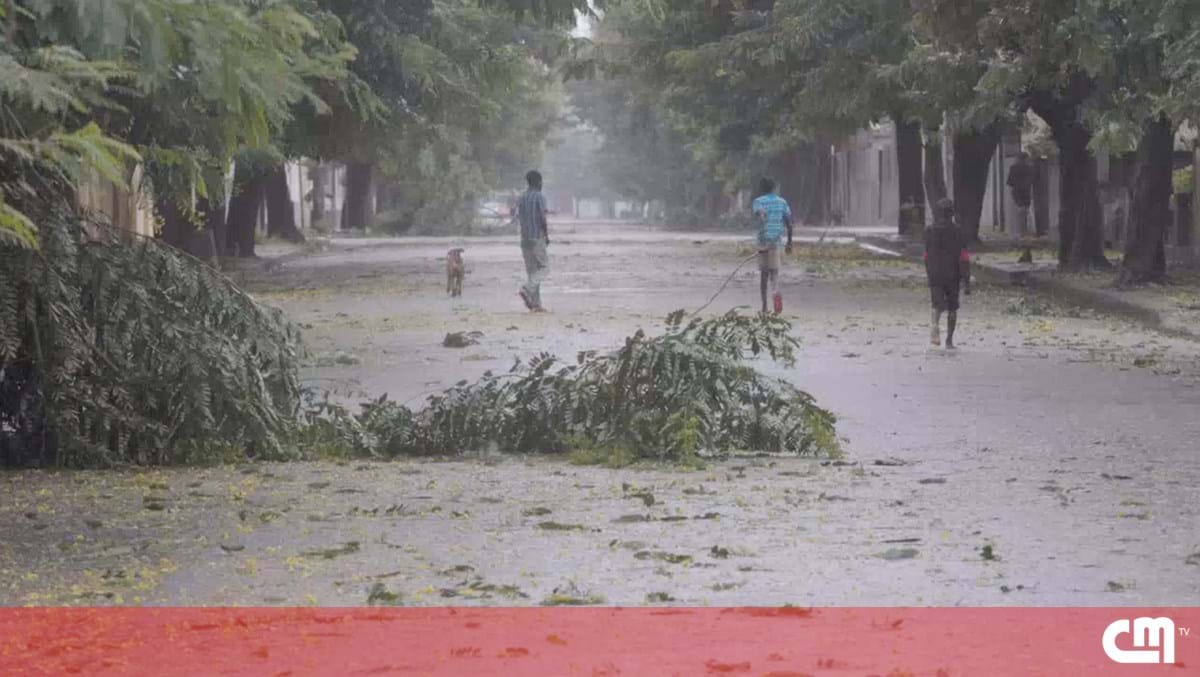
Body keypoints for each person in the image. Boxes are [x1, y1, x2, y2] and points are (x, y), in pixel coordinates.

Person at [924, 198, 971, 349]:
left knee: (936, 304)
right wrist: (966, 279)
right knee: (952, 308)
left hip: (935, 273)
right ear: (952, 213)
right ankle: (949, 341)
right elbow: (963, 257)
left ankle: (934, 326)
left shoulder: (929, 231)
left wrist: (929, 273)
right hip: (953, 274)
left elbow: (926, 255)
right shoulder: (958, 231)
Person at [751, 178, 794, 315]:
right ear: (774, 188)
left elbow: (759, 213)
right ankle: (775, 294)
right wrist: (789, 242)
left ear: (762, 188)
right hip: (776, 243)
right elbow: (789, 223)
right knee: (774, 274)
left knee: (764, 275)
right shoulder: (782, 202)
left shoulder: (759, 201)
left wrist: (763, 216)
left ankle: (764, 307)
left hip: (763, 242)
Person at [516, 170, 550, 312]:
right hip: (537, 237)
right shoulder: (539, 197)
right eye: (541, 182)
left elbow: (519, 219)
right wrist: (547, 235)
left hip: (524, 239)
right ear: (538, 182)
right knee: (544, 268)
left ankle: (536, 304)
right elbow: (542, 217)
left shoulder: (522, 197)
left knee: (532, 272)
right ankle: (527, 289)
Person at [1006, 152, 1035, 237]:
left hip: (1017, 192)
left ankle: (1021, 231)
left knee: (1020, 211)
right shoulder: (1030, 168)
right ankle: (1024, 231)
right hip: (1026, 191)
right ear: (1026, 159)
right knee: (1024, 211)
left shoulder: (1013, 168)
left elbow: (1010, 182)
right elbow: (1032, 180)